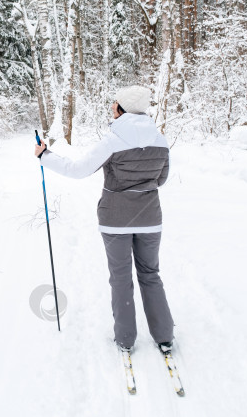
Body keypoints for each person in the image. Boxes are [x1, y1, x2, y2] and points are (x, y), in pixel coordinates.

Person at [33, 85, 174, 354]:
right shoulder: (160, 140)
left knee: (120, 278)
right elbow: (161, 180)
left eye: (115, 103)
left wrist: (45, 156)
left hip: (115, 220)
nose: (112, 106)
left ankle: (125, 339)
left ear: (122, 108)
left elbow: (78, 170)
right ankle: (164, 335)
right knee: (150, 274)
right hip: (150, 218)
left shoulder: (113, 140)